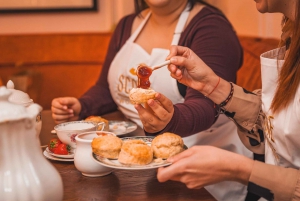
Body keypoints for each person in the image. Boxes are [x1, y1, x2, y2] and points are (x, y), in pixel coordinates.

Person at [51, 0, 252, 200]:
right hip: (138, 160)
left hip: (201, 167)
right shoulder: (126, 25)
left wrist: (169, 121)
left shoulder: (212, 28)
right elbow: (108, 88)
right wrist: (82, 106)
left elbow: (207, 104)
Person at [157, 0, 300, 200]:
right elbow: (277, 126)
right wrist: (210, 85)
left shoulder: (211, 26)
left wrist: (239, 169)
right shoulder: (291, 33)